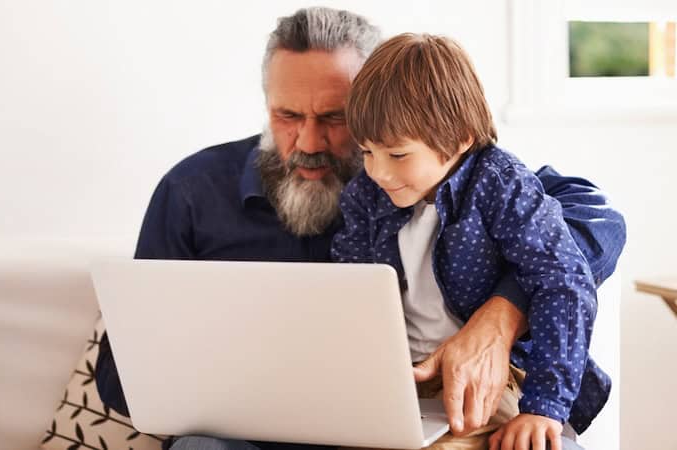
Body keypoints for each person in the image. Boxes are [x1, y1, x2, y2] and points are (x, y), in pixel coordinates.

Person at [95, 7, 626, 450]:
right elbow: (124, 377)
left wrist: (502, 313)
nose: (308, 140)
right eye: (286, 114)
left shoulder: (464, 175)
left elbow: (595, 226)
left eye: (333, 118)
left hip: (417, 407)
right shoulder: (192, 191)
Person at [332, 32, 619, 450]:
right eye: (367, 152)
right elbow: (350, 288)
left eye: (397, 155)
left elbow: (564, 281)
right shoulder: (366, 196)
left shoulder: (498, 185)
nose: (378, 172)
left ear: (460, 137)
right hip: (399, 382)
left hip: (491, 378)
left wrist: (544, 407)